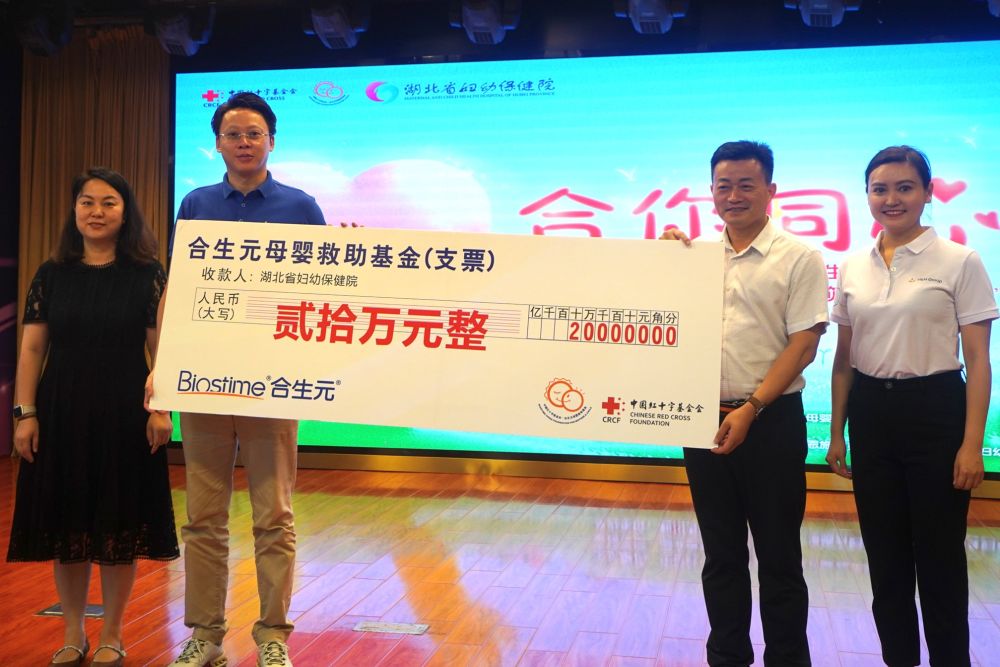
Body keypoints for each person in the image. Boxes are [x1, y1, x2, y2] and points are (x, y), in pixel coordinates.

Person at [153, 92, 326, 667]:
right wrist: (163, 366)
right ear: (217, 144)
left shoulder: (301, 207)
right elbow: (179, 289)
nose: (244, 143)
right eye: (233, 134)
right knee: (203, 519)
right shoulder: (197, 204)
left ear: (271, 141)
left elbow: (326, 290)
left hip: (272, 382)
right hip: (203, 382)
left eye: (254, 133)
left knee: (274, 517)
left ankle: (273, 635)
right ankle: (205, 636)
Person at [825, 146, 995, 666]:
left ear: (927, 193)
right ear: (867, 195)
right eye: (880, 189)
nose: (891, 199)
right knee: (885, 560)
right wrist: (836, 433)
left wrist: (971, 445)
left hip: (936, 412)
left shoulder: (960, 260)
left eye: (905, 187)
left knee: (940, 560)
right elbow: (844, 360)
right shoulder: (853, 265)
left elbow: (978, 362)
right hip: (871, 415)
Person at [661, 140, 828, 666]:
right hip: (703, 420)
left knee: (779, 557)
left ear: (770, 190)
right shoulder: (695, 258)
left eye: (746, 185)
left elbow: (804, 344)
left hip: (771, 422)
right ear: (711, 192)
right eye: (723, 186)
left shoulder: (799, 257)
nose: (733, 196)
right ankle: (727, 656)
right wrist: (660, 264)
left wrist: (752, 407)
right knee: (721, 554)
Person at [7, 167, 178, 667]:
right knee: (68, 526)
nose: (96, 212)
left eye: (108, 203)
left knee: (118, 525)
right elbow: (32, 349)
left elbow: (162, 351)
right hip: (60, 410)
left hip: (125, 411)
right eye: (87, 202)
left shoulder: (147, 273)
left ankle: (113, 634)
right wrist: (25, 414)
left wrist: (161, 408)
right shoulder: (52, 273)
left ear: (126, 213)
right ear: (74, 210)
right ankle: (73, 633)